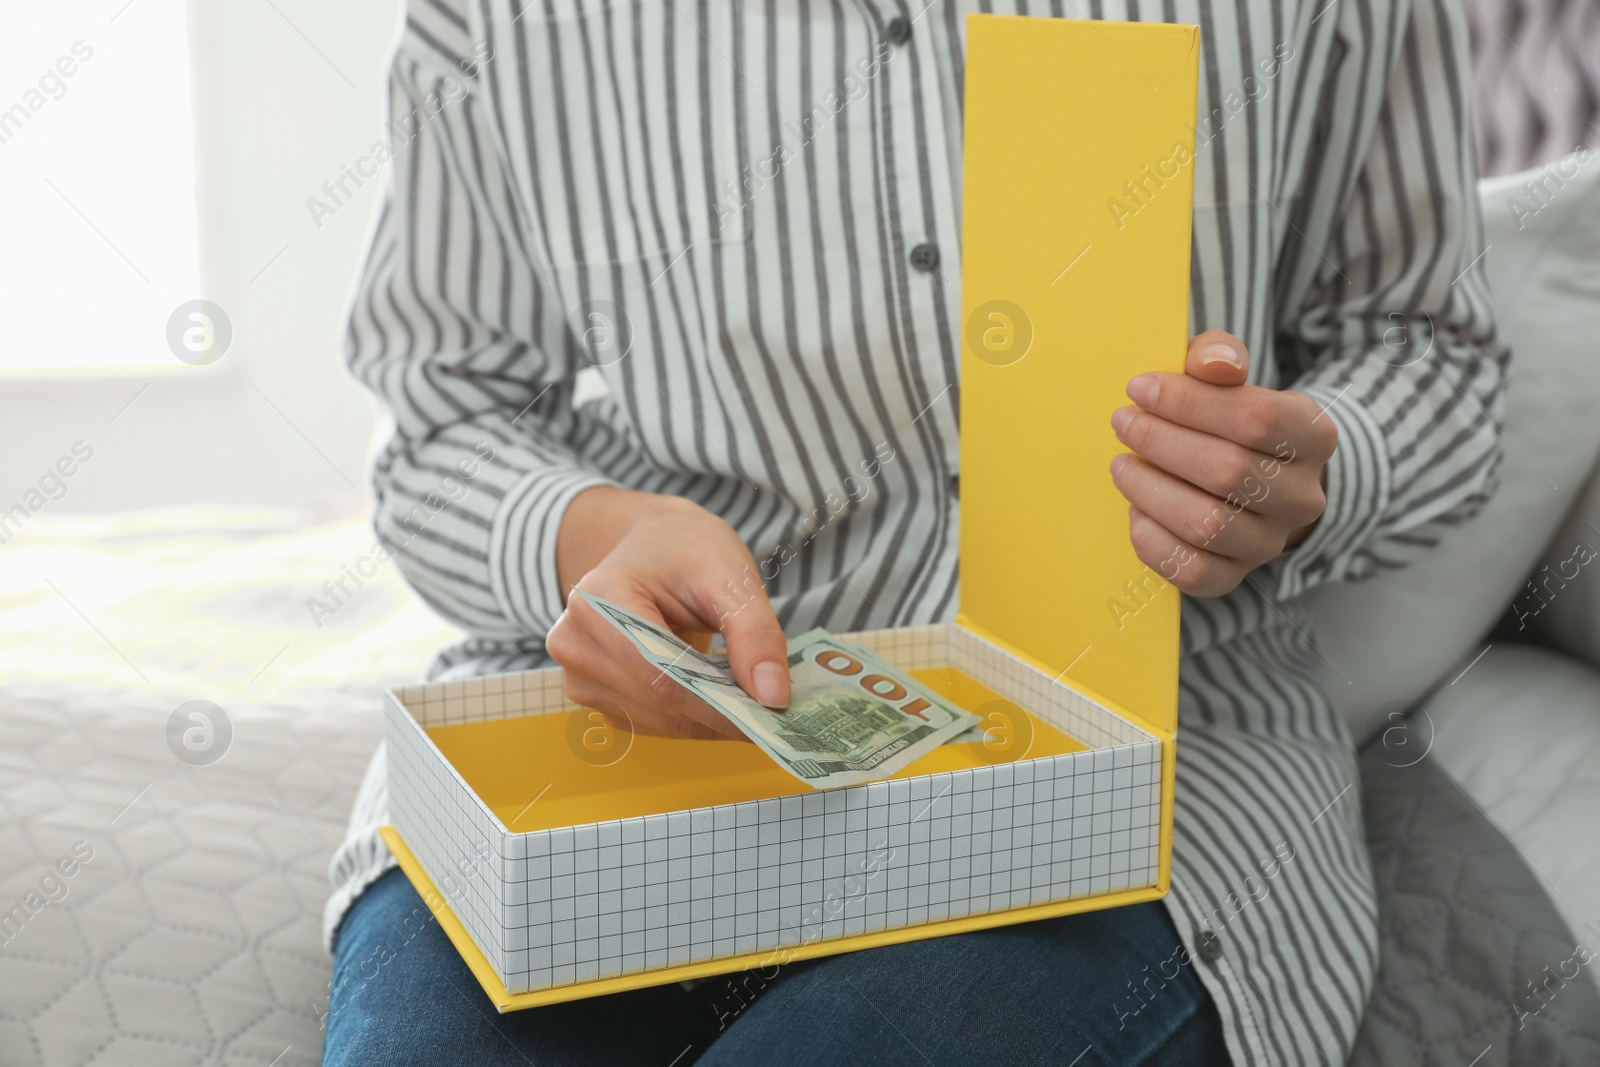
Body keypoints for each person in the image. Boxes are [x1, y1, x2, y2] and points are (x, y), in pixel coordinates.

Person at [320, 2, 1506, 1064]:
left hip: (1150, 763)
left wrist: (1310, 470)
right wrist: (594, 533)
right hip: (632, 740)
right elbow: (443, 420)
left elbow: (1430, 354)